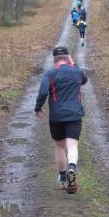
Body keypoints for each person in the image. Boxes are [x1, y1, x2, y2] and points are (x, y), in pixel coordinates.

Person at [35, 46, 88, 194]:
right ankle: (72, 168)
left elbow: (43, 92)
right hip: (74, 115)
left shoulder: (50, 73)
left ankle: (64, 178)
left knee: (59, 147)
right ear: (67, 57)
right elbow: (84, 80)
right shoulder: (76, 71)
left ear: (54, 59)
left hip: (56, 116)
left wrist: (38, 107)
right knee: (72, 146)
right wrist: (73, 63)